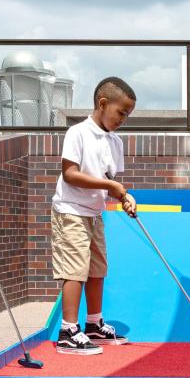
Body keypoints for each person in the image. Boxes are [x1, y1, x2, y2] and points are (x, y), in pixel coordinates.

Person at [51, 77, 138, 355]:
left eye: (127, 115)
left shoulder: (115, 142)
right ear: (102, 103)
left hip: (95, 214)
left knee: (97, 269)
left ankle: (93, 324)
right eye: (121, 112)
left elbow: (111, 180)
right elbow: (70, 174)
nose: (123, 119)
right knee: (75, 269)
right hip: (71, 211)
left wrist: (124, 196)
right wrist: (111, 187)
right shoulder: (78, 133)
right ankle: (68, 330)